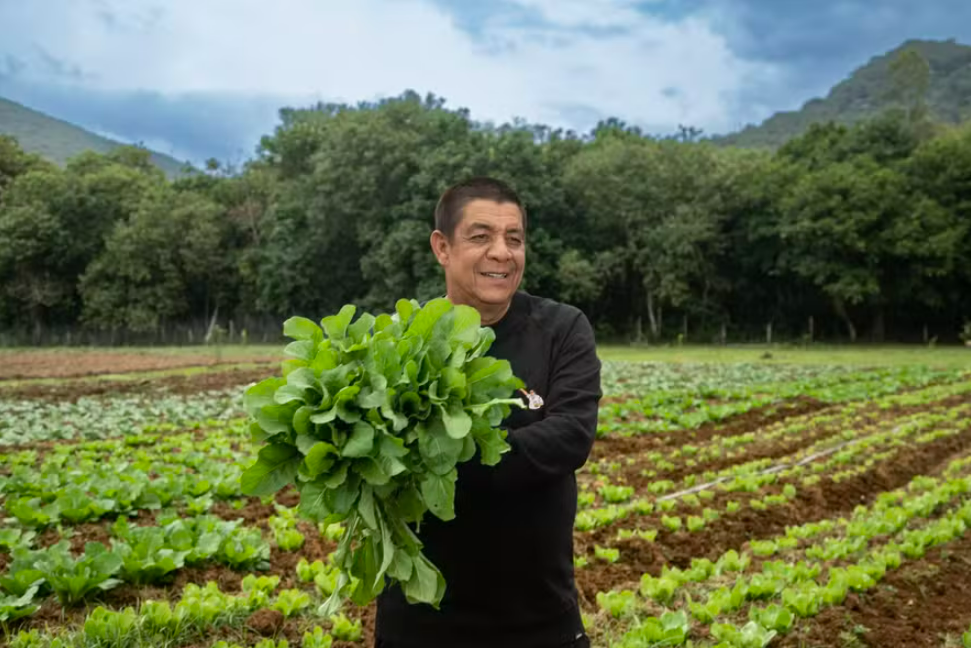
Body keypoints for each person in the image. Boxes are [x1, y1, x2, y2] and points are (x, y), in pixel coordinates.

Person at [374, 176, 603, 648]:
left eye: (514, 239)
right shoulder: (400, 340)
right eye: (481, 237)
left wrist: (442, 455)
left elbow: (570, 437)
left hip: (539, 619)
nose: (502, 252)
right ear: (442, 247)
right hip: (419, 623)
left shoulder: (562, 329)